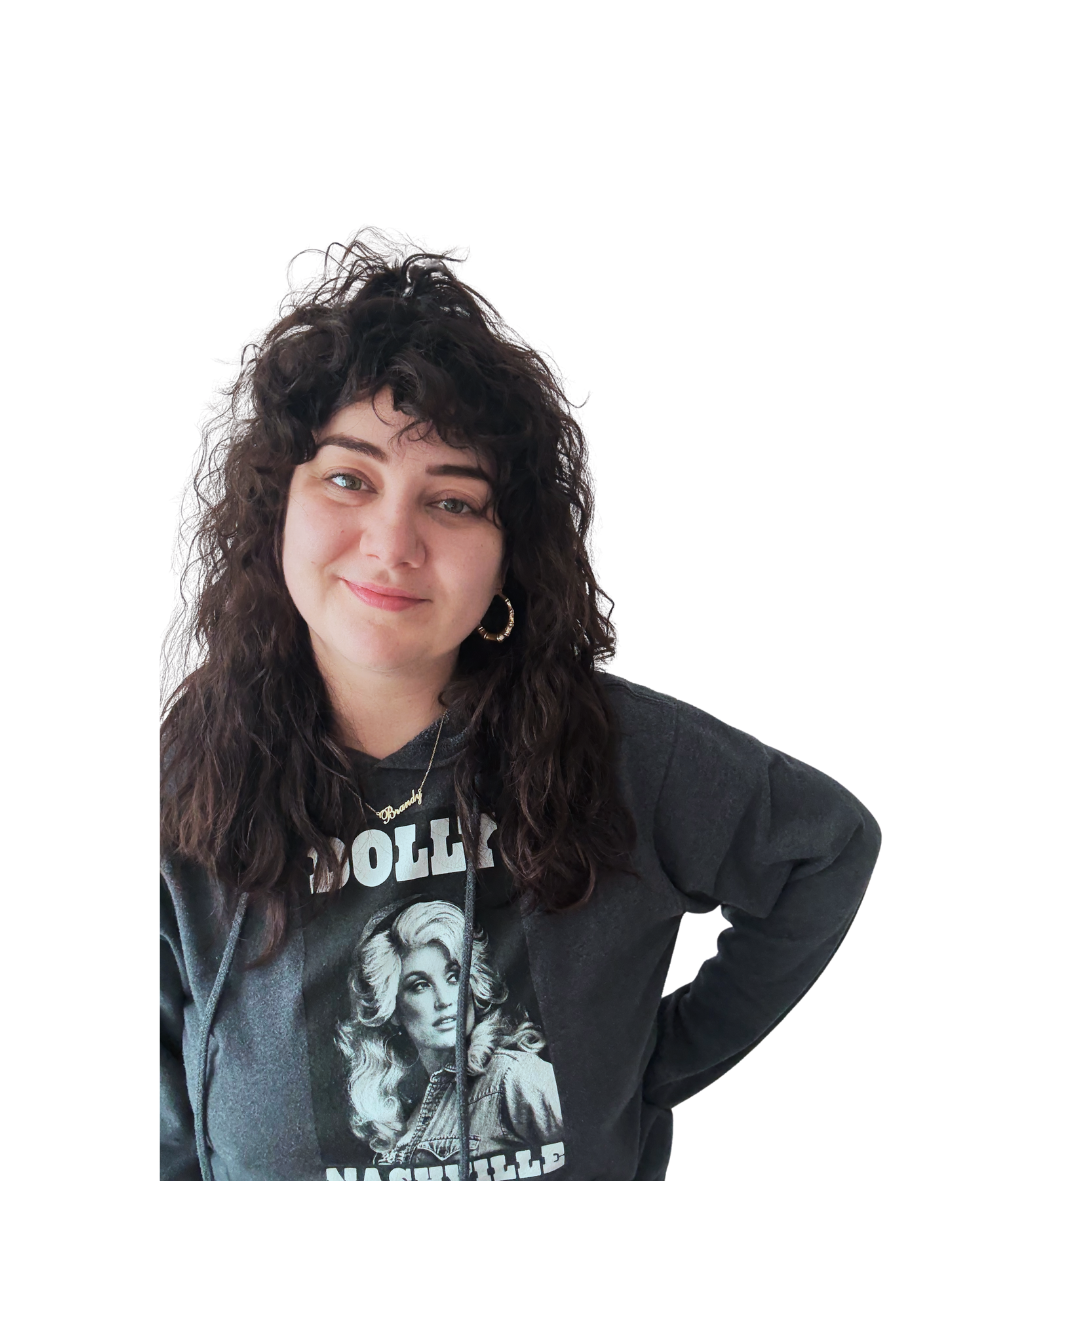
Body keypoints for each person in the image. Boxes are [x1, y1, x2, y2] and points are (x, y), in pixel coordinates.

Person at [160, 224, 883, 1184]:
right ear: (275, 510)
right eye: (348, 477)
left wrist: (667, 1067)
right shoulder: (184, 780)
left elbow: (827, 852)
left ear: (509, 553)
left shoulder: (623, 756)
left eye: (451, 501)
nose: (391, 541)